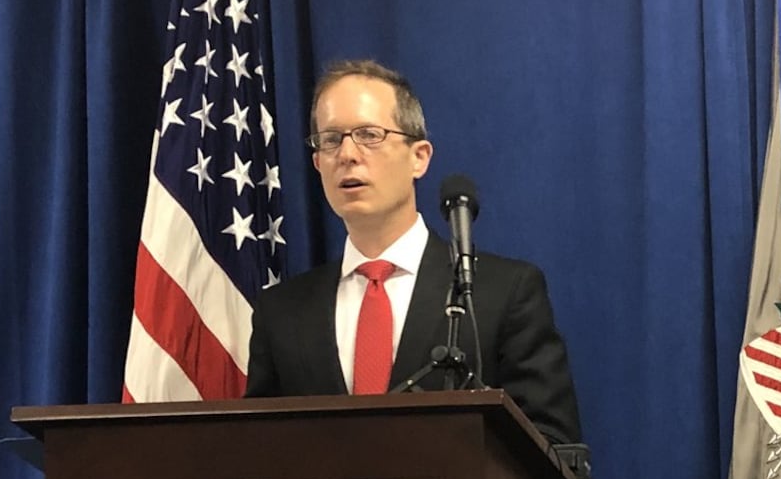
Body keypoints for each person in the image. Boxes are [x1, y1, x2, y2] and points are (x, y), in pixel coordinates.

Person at [245, 58, 583, 451]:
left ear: (418, 157)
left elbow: (554, 450)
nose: (348, 154)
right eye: (332, 139)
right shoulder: (282, 311)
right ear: (318, 162)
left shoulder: (502, 294)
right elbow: (259, 453)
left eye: (369, 134)